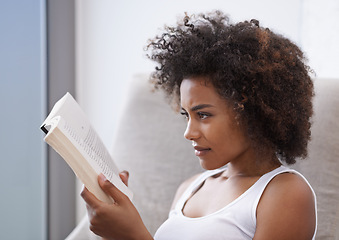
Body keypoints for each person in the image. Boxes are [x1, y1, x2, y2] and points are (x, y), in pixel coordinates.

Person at [81, 10, 317, 239]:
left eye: (203, 115)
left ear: (249, 111)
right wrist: (113, 230)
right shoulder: (189, 189)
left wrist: (132, 235)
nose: (189, 133)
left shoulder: (287, 193)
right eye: (186, 115)